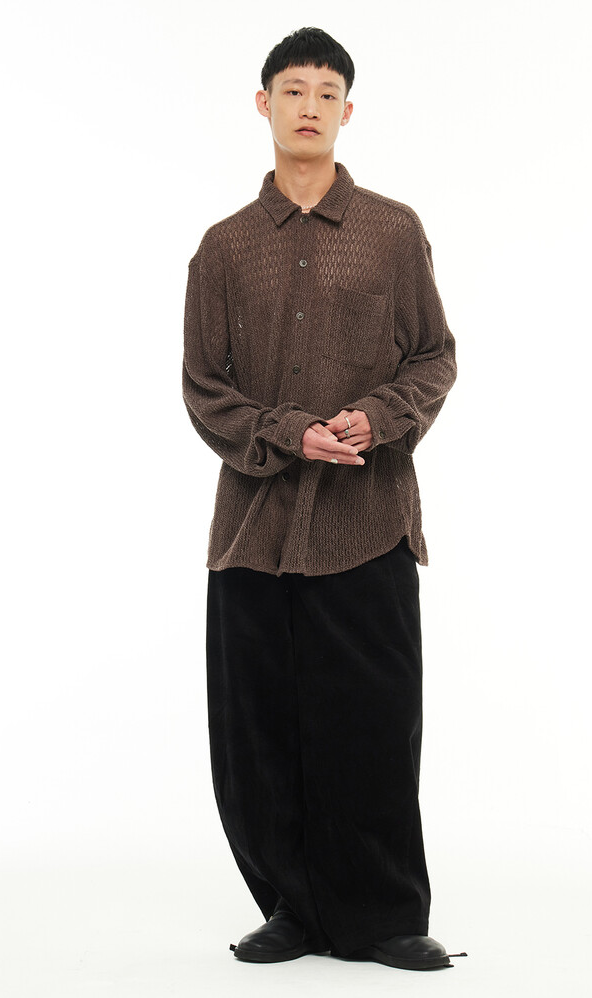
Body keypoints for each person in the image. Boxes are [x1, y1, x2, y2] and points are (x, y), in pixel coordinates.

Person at [182, 26, 458, 971]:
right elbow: (203, 389)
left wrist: (375, 419)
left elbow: (435, 356)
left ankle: (384, 917)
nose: (310, 106)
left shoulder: (393, 231)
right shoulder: (223, 249)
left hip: (365, 520)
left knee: (371, 723)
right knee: (260, 732)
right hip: (254, 529)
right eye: (293, 90)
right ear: (264, 105)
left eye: (327, 92)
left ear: (348, 111)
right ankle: (291, 910)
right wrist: (286, 432)